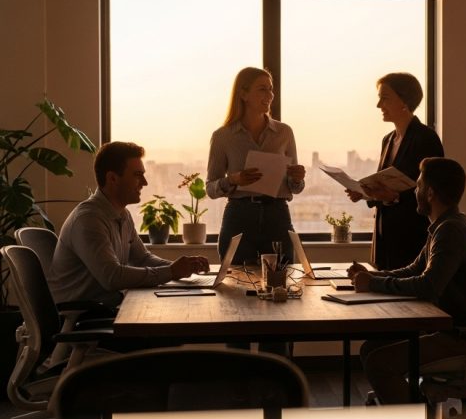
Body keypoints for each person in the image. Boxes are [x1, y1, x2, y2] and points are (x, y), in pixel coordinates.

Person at [350, 157, 466, 404]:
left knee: (380, 362)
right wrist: (371, 276)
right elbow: (414, 270)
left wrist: (373, 284)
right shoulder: (444, 225)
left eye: (418, 185)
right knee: (370, 349)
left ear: (430, 193)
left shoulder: (450, 230)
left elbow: (428, 286)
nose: (414, 191)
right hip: (454, 329)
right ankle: (411, 409)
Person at [49, 142, 210, 309]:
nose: (145, 182)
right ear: (112, 178)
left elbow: (142, 259)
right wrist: (171, 271)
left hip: (107, 308)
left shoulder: (123, 215)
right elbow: (112, 277)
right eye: (137, 175)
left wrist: (181, 267)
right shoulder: (88, 219)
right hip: (84, 316)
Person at [206, 67, 305, 266]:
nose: (270, 95)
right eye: (262, 89)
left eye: (271, 89)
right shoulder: (223, 137)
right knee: (235, 279)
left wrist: (297, 178)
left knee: (282, 277)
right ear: (243, 94)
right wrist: (234, 180)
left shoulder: (284, 132)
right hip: (239, 216)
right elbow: (210, 188)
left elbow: (296, 188)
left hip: (277, 215)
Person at [346, 72, 443, 270]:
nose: (378, 105)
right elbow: (384, 186)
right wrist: (365, 193)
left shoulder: (426, 138)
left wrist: (395, 197)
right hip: (385, 238)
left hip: (412, 236)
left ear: (404, 101)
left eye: (385, 98)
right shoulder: (388, 140)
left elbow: (434, 191)